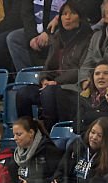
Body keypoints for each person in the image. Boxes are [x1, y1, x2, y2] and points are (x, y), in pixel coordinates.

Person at [20, 1, 94, 131]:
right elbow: (47, 65)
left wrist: (56, 82)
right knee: (23, 93)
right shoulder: (57, 37)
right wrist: (43, 79)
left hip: (70, 87)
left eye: (72, 13)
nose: (67, 17)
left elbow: (80, 70)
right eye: (64, 14)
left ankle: (49, 131)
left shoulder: (88, 38)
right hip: (51, 85)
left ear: (80, 17)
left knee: (49, 92)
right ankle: (27, 131)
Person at [75, 61, 108, 132]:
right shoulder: (84, 96)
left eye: (106, 73)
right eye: (97, 74)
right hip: (86, 137)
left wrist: (88, 116)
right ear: (93, 78)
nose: (101, 77)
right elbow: (76, 126)